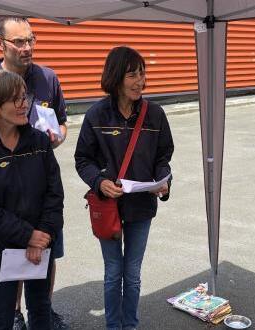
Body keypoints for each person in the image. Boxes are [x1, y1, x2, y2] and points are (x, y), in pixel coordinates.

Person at [0, 16, 69, 329]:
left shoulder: (37, 140)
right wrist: (27, 235)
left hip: (42, 238)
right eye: (17, 100)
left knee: (41, 310)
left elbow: (54, 193)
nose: (25, 105)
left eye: (30, 40)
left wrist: (42, 235)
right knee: (0, 315)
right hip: (0, 245)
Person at [74, 46, 174, 330]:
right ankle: (113, 326)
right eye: (132, 75)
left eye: (143, 74)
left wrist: (163, 182)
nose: (140, 81)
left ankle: (130, 325)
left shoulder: (154, 114)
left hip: (142, 208)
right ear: (116, 77)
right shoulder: (97, 115)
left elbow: (163, 157)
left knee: (132, 274)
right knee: (113, 272)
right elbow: (82, 159)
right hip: (107, 208)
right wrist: (100, 182)